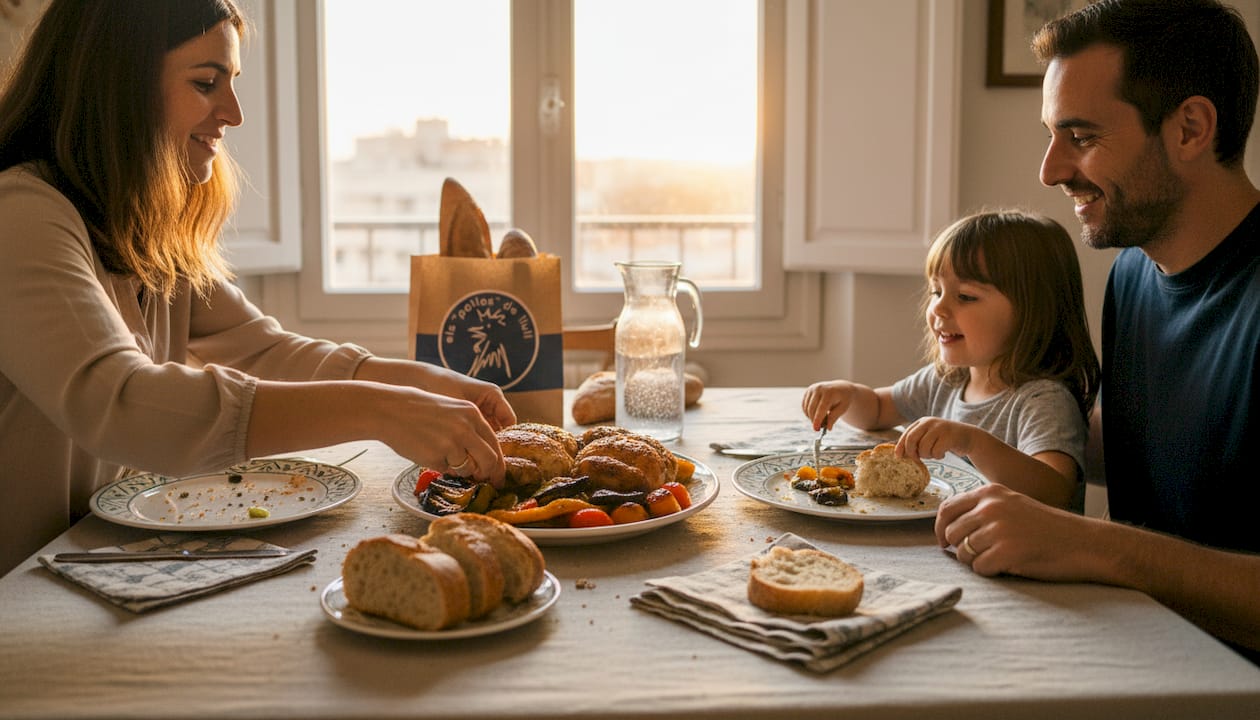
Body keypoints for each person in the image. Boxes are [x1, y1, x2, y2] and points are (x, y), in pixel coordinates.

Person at [0, 0, 516, 576]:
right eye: (206, 82)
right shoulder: (20, 214)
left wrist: (422, 382)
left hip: (83, 565)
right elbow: (121, 403)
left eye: (232, 82)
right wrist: (380, 410)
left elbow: (265, 350)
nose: (234, 112)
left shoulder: (141, 223)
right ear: (114, 84)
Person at [934, 0, 1260, 662]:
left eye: (1080, 138)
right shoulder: (1135, 274)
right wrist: (947, 426)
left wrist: (1087, 543)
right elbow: (1156, 441)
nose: (1050, 171)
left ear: (1192, 128)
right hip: (1140, 647)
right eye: (1053, 135)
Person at [802, 209, 1100, 510]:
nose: (938, 309)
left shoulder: (1043, 400)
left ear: (1034, 312)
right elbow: (878, 410)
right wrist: (847, 395)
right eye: (936, 291)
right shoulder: (948, 379)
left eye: (966, 297)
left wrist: (971, 442)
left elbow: (1054, 491)